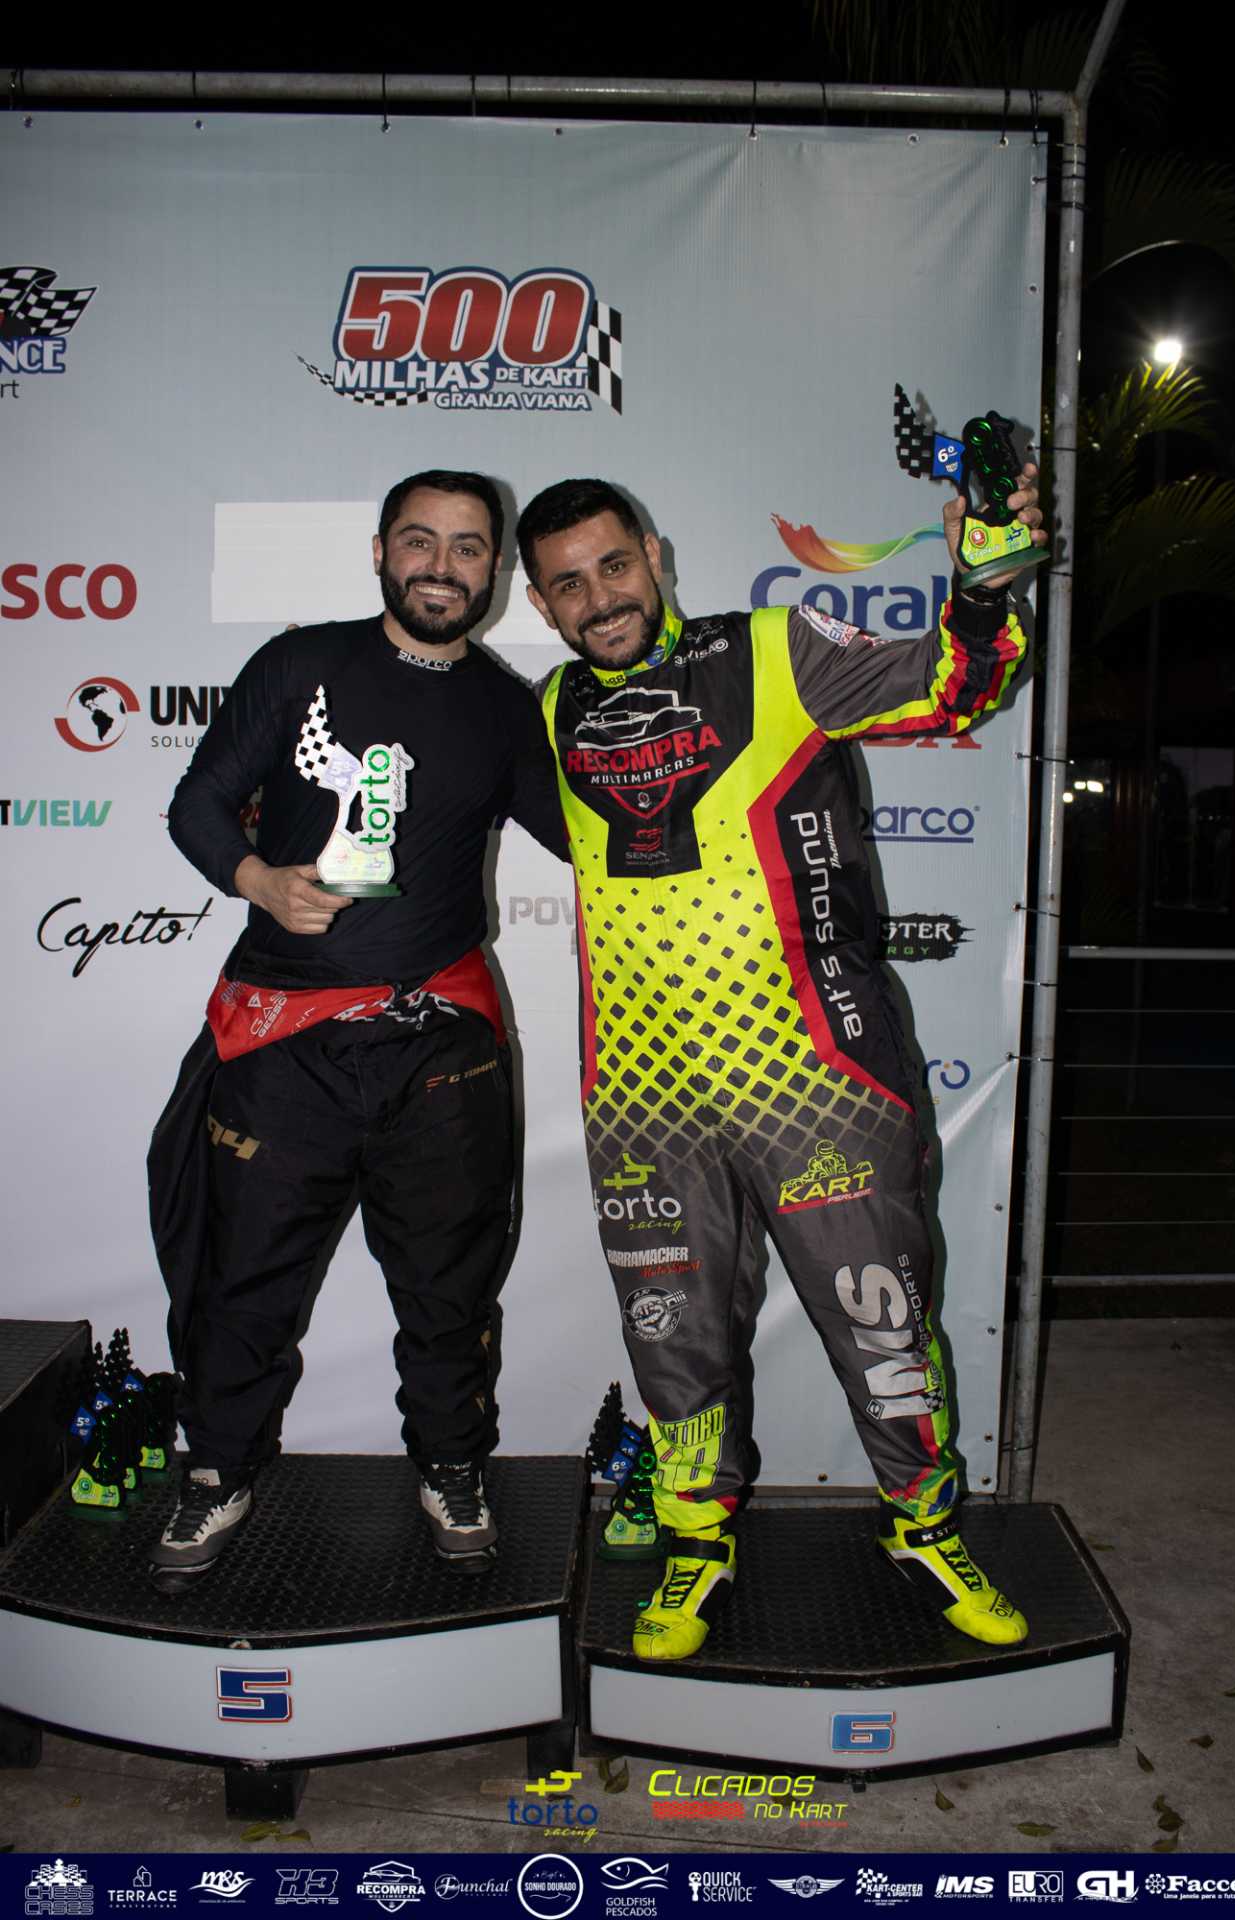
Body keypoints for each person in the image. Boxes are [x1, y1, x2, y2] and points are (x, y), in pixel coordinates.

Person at [516, 472, 1043, 1661]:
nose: (598, 598)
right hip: (642, 1098)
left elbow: (955, 686)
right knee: (672, 1342)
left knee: (882, 1332)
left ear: (654, 555)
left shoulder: (772, 649)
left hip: (815, 1080)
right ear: (541, 605)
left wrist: (979, 589)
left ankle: (923, 1528)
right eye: (567, 584)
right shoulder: (548, 710)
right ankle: (695, 1541)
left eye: (613, 566)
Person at [147, 469, 565, 1584]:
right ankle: (217, 1471)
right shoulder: (300, 667)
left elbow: (588, 839)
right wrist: (256, 878)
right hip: (283, 1042)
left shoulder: (505, 707)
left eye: (467, 548)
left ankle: (451, 1466)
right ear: (380, 551)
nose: (442, 566)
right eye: (420, 541)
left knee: (448, 1290)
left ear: (495, 570)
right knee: (244, 1284)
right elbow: (196, 802)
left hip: (441, 1048)